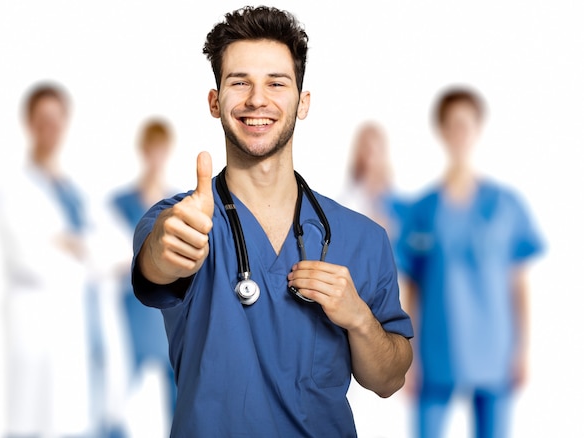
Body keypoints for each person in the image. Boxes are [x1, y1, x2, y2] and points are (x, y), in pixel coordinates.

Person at [131, 6, 413, 437]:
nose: (257, 99)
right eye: (238, 82)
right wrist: (166, 247)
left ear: (302, 102)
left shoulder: (363, 238)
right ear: (214, 101)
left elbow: (389, 379)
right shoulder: (181, 220)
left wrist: (358, 318)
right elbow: (158, 263)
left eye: (276, 83)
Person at [396, 86, 544, 438]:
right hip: (436, 348)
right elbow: (412, 288)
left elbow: (518, 284)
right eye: (453, 124)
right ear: (442, 131)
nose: (460, 132)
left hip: (495, 348)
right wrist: (407, 356)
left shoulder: (505, 205)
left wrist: (522, 349)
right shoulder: (423, 210)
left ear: (478, 128)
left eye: (467, 124)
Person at [0, 82, 95, 438]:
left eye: (56, 119)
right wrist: (76, 249)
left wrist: (72, 244)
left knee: (71, 418)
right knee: (34, 421)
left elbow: (106, 247)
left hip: (78, 321)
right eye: (42, 119)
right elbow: (29, 256)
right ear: (28, 123)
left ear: (65, 122)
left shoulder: (74, 189)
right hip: (36, 322)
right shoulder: (16, 189)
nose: (49, 127)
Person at [107, 118, 179, 436]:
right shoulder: (120, 204)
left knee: (180, 392)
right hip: (131, 310)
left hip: (168, 311)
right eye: (151, 149)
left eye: (161, 150)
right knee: (114, 391)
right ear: (143, 151)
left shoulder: (178, 205)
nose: (156, 157)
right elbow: (109, 255)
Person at [338, 120, 408, 247]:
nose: (372, 157)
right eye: (368, 150)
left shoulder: (398, 203)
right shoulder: (348, 202)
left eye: (376, 150)